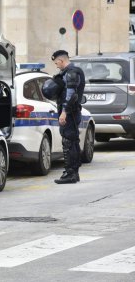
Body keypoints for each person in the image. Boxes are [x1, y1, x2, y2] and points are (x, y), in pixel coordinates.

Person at [51, 50, 85, 184]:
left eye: (56, 63)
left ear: (61, 60)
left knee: (68, 142)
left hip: (70, 113)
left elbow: (72, 95)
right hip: (72, 111)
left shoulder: (71, 73)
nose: (56, 65)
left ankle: (70, 173)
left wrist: (64, 112)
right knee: (72, 141)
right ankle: (74, 173)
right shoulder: (70, 72)